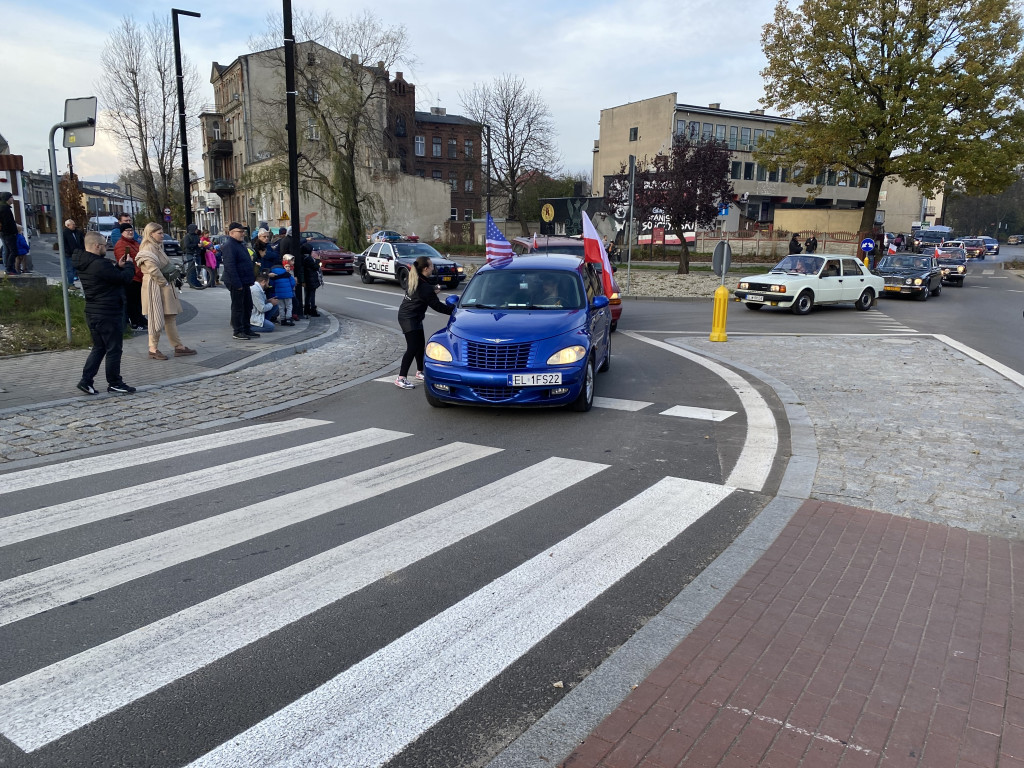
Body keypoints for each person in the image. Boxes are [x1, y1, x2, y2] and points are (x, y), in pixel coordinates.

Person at [72, 230, 138, 394]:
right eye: (104, 245)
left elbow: (109, 277)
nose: (106, 248)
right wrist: (129, 265)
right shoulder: (100, 264)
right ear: (96, 246)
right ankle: (115, 382)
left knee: (99, 347)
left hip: (93, 311)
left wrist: (118, 266)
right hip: (107, 312)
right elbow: (124, 279)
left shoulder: (86, 262)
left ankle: (86, 380)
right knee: (114, 349)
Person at [135, 222, 196, 360]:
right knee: (155, 316)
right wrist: (165, 282)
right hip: (155, 286)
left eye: (162, 233)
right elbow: (152, 269)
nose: (162, 235)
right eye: (159, 233)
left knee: (170, 316)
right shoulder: (148, 248)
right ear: (151, 234)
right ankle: (153, 348)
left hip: (163, 285)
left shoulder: (157, 247)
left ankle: (178, 346)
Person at [395, 255, 454, 389]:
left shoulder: (418, 280)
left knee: (420, 344)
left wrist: (432, 290)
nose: (433, 268)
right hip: (408, 318)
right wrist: (454, 311)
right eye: (431, 266)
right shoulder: (424, 286)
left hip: (413, 316)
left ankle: (420, 372)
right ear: (426, 268)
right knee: (412, 347)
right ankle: (401, 378)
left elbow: (423, 291)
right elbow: (437, 306)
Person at [222, 221, 258, 340]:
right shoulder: (229, 246)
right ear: (231, 233)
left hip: (245, 281)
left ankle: (246, 329)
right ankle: (237, 331)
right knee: (238, 307)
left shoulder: (240, 244)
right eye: (240, 231)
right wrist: (237, 283)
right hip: (236, 282)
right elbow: (230, 266)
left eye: (243, 231)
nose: (243, 234)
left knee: (247, 306)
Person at [114, 223, 147, 331]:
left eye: (131, 230)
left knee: (138, 301)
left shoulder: (135, 243)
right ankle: (135, 322)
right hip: (132, 278)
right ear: (122, 232)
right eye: (127, 230)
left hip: (139, 276)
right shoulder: (121, 245)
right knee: (133, 302)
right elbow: (125, 262)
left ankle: (140, 319)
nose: (130, 232)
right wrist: (138, 272)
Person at [300, 244, 322, 317]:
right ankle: (312, 310)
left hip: (307, 279)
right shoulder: (308, 258)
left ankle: (307, 309)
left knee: (307, 295)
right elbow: (315, 267)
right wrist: (318, 260)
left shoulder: (303, 257)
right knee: (312, 295)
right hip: (311, 279)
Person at [62, 218, 84, 285]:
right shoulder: (65, 233)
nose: (74, 226)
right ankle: (70, 284)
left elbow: (81, 242)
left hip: (78, 254)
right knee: (70, 269)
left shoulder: (78, 232)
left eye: (74, 224)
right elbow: (64, 244)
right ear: (68, 225)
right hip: (69, 255)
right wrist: (68, 251)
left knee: (76, 269)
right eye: (73, 224)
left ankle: (74, 279)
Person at [0, 192, 17, 275]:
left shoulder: (4, 208)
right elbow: (7, 223)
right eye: (11, 197)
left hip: (5, 233)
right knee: (13, 251)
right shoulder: (5, 209)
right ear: (7, 199)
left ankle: (9, 267)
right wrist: (13, 231)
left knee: (8, 250)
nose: (12, 199)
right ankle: (9, 268)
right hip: (8, 233)